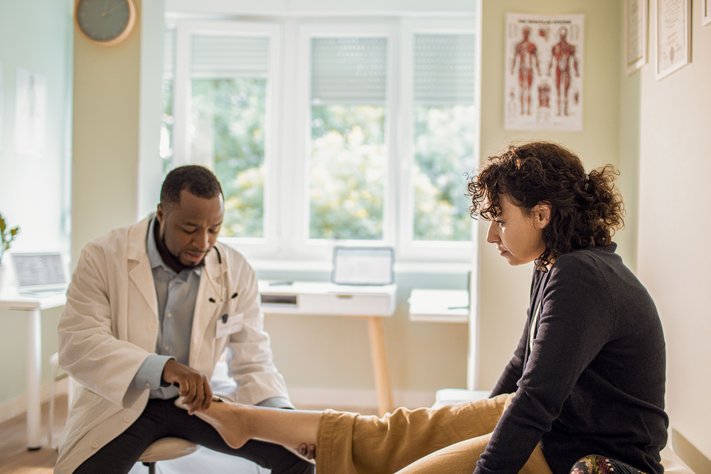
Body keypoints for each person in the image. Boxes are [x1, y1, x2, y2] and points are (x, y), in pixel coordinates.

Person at [175, 142, 669, 474]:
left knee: (407, 464)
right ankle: (248, 421)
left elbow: (537, 400)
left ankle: (280, 433)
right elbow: (521, 368)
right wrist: (468, 421)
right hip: (560, 429)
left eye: (500, 219)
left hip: (590, 451)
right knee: (398, 429)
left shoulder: (581, 276)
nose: (493, 234)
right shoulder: (556, 265)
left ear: (542, 214)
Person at [56, 165, 313, 474]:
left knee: (296, 457)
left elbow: (253, 359)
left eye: (214, 228)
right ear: (161, 214)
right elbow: (79, 341)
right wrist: (162, 368)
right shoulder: (103, 256)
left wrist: (283, 418)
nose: (203, 242)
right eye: (190, 229)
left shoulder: (235, 269)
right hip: (122, 404)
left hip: (197, 406)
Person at [548, 26, 579, 116]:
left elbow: (575, 60)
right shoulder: (555, 47)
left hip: (567, 70)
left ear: (566, 35)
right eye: (561, 34)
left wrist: (576, 71)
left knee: (566, 90)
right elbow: (551, 59)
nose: (562, 36)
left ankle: (565, 111)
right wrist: (549, 70)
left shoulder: (570, 47)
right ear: (559, 35)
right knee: (558, 89)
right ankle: (558, 110)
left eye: (564, 34)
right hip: (558, 69)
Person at [511, 25, 541, 116]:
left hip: (529, 69)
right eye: (524, 33)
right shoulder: (519, 45)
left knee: (528, 90)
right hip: (521, 69)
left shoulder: (532, 45)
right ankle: (522, 110)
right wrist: (512, 69)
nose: (526, 34)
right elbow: (515, 58)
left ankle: (528, 110)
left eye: (527, 33)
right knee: (521, 89)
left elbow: (536, 59)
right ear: (522, 33)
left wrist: (538, 70)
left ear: (529, 34)